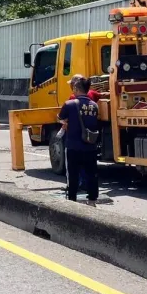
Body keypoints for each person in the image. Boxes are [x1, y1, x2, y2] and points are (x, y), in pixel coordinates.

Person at [57, 75, 100, 206]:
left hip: (73, 146)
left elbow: (60, 117)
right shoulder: (94, 106)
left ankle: (72, 201)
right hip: (90, 146)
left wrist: (63, 121)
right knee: (91, 174)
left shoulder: (69, 104)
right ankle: (92, 200)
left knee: (73, 174)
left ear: (76, 88)